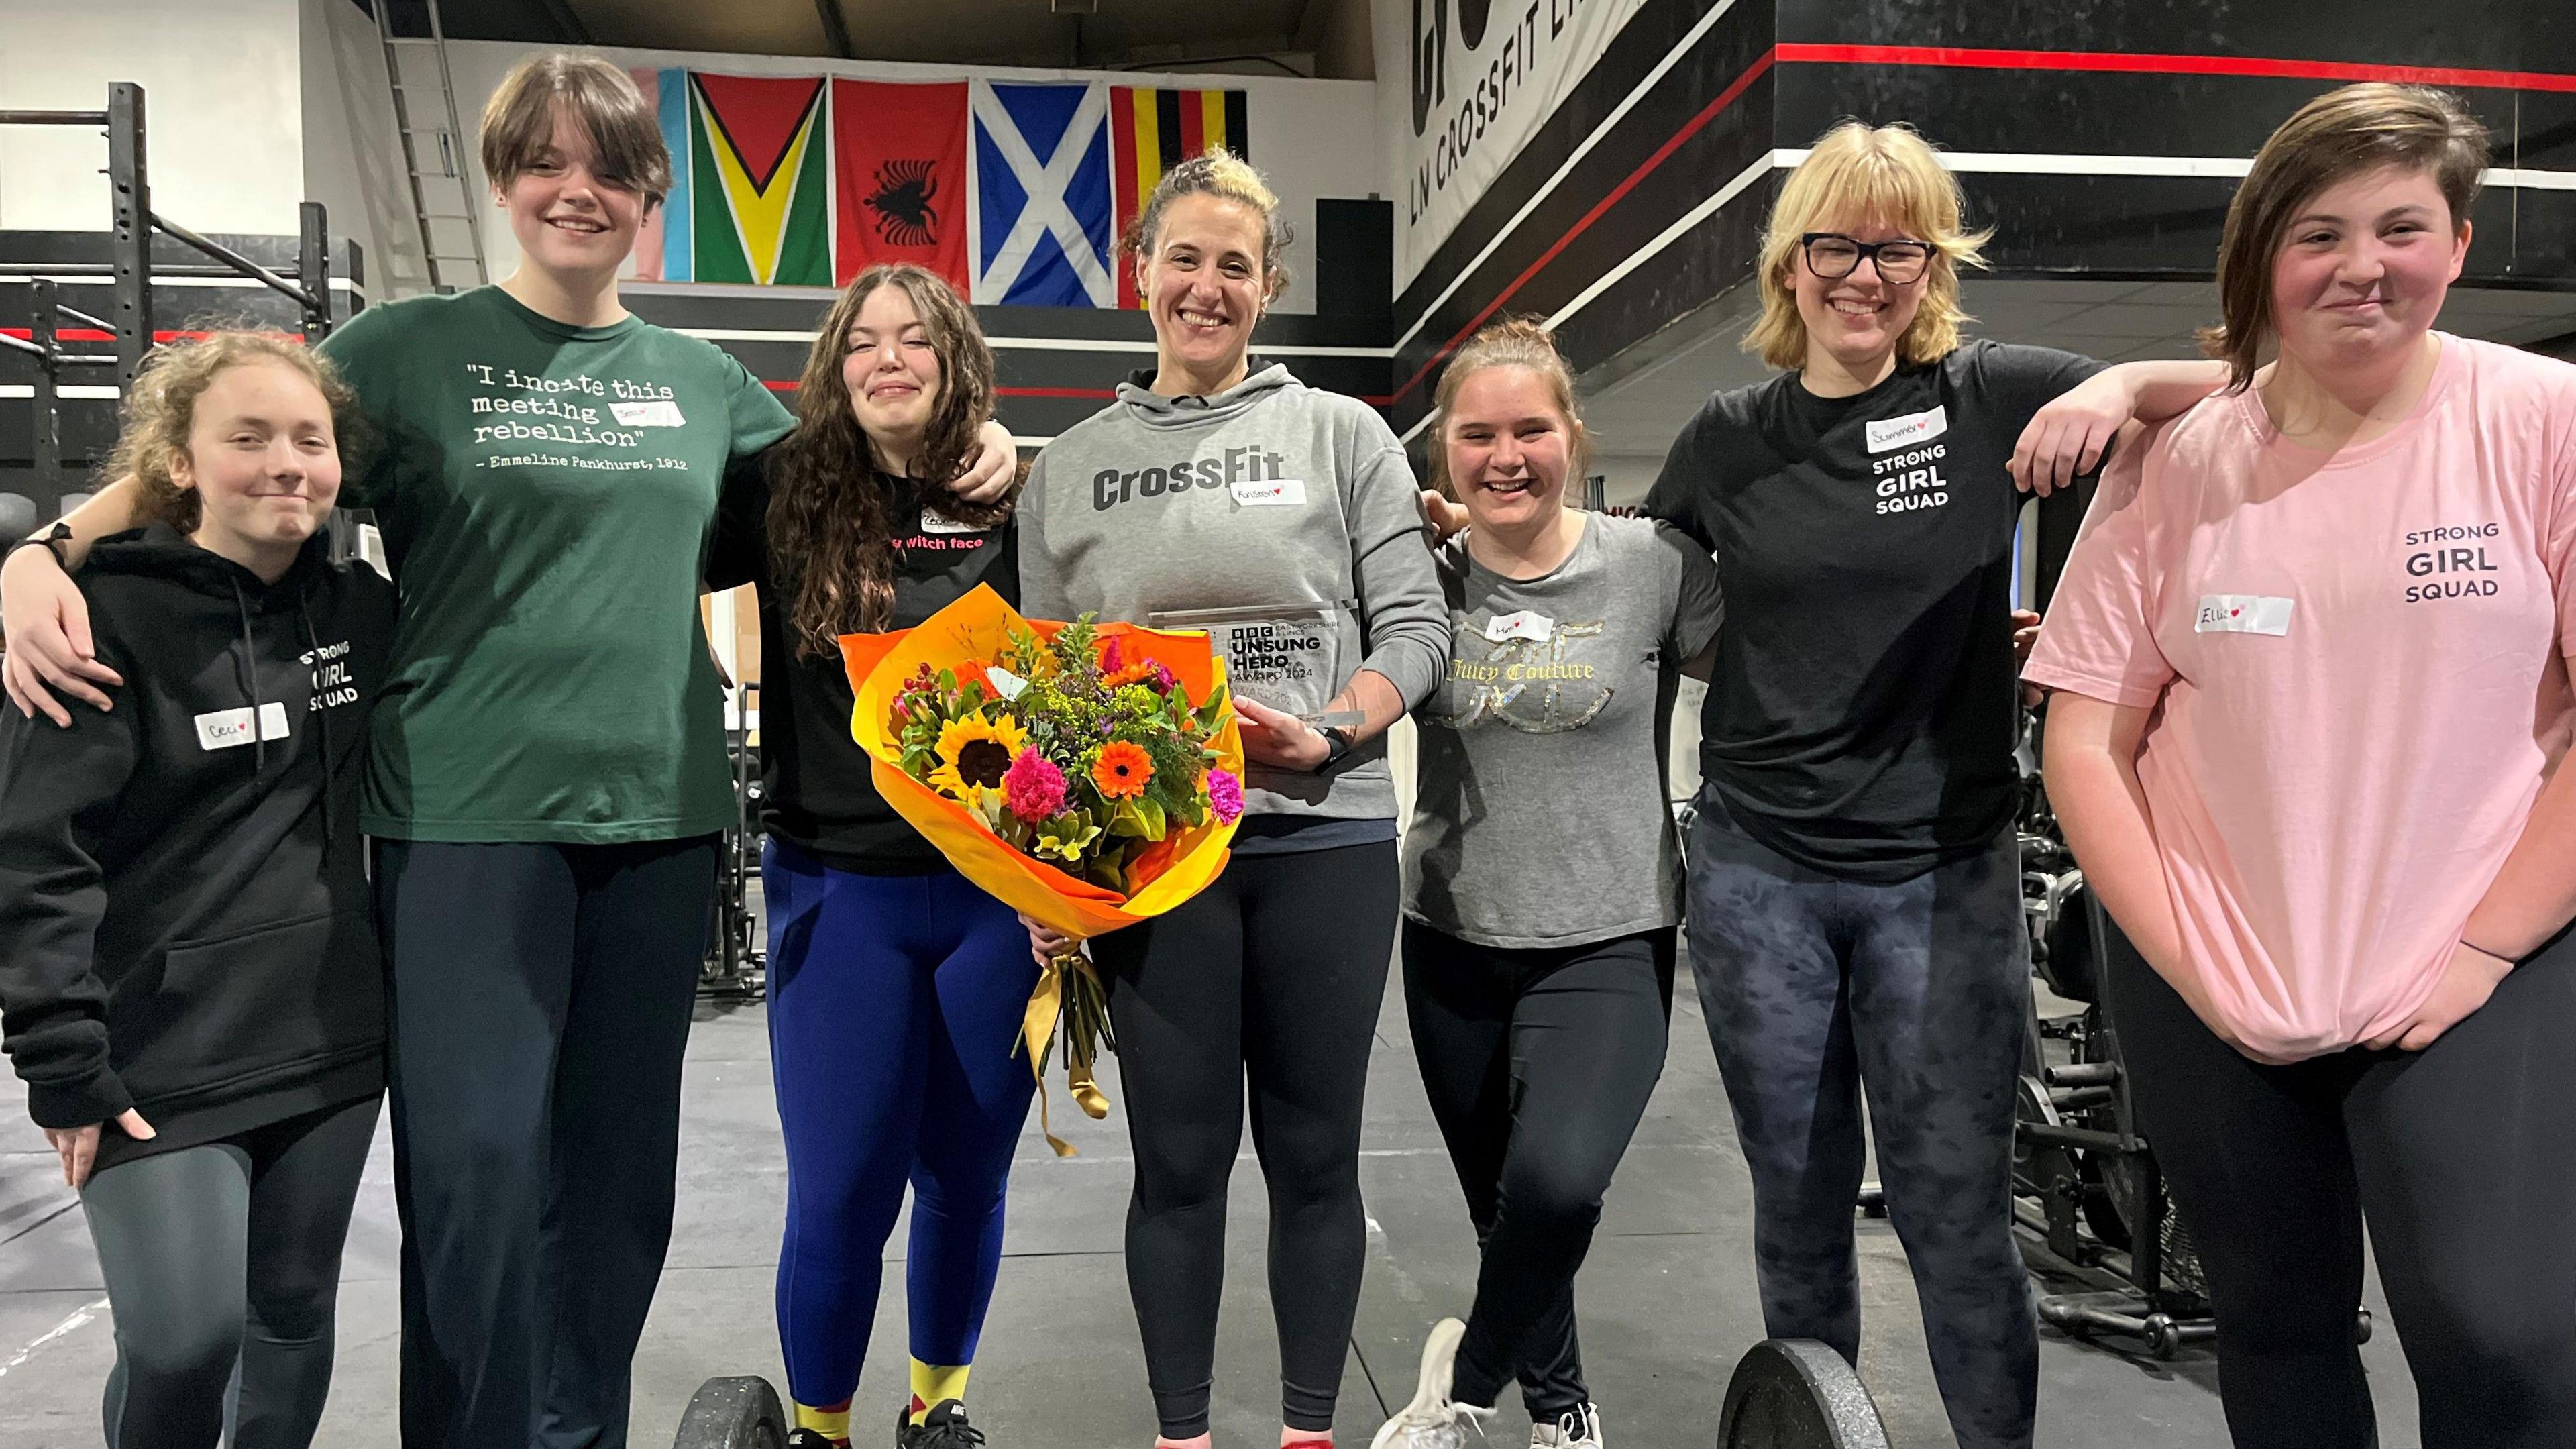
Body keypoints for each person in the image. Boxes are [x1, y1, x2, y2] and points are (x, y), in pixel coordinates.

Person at [0, 54, 1016, 1448]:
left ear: (649, 196)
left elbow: (863, 468)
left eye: (608, 168)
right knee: (475, 1187)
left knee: (614, 1199)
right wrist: (49, 548)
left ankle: (577, 1433)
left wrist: (993, 439)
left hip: (658, 828)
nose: (576, 190)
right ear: (502, 183)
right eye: (545, 163)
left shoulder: (702, 382)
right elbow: (229, 441)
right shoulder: (404, 353)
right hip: (465, 829)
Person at [1640, 121, 2234, 1449]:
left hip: (1939, 878)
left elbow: (2250, 394)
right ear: (1791, 264)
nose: (1868, 271)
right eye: (1840, 242)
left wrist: (2119, 382)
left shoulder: (1986, 394)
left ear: (1931, 265)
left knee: (1955, 1212)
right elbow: (1637, 595)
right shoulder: (1727, 437)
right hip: (1757, 880)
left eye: (1898, 245)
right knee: (1795, 1206)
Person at [2031, 83, 2576, 1449]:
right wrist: (2192, 960)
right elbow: (2086, 737)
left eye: (2402, 226)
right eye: (2319, 232)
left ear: (2457, 243)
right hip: (2210, 966)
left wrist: (2488, 950)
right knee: (2273, 1330)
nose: (2361, 265)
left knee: (2505, 1344)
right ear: (2266, 255)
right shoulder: (2181, 460)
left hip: (2471, 964)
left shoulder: (2543, 422)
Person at [1015, 151, 1449, 1449]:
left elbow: (1415, 627)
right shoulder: (1069, 469)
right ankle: (1185, 1436)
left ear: (1270, 288)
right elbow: (1045, 696)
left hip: (1322, 843)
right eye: (1184, 259)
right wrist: (1050, 880)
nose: (1207, 288)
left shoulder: (1342, 432)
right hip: (1156, 862)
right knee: (1180, 1166)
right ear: (1138, 272)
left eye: (1235, 267)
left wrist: (1329, 731)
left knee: (1317, 1163)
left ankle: (1310, 1432)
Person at [0, 332, 394, 1448]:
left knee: (291, 1320)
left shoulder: (360, 613)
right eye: (247, 438)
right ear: (178, 464)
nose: (286, 465)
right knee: (180, 1341)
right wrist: (62, 1061)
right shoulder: (94, 621)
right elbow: (35, 852)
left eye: (309, 441)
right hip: (154, 1054)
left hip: (327, 1040)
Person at [1366, 319, 1721, 1449]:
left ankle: (1460, 1392)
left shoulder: (1654, 564)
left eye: (1531, 428)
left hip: (1610, 933)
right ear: (1443, 457)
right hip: (1453, 931)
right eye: (1477, 435)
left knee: (1560, 1186)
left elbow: (1792, 667)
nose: (1505, 455)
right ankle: (1566, 1412)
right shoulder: (1416, 576)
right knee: (1503, 1209)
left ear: (1574, 434)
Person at [706, 263, 1028, 1449]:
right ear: (834, 367)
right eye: (863, 342)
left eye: (915, 340)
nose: (888, 357)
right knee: (842, 1192)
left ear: (955, 362)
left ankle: (938, 1411)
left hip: (996, 899)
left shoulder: (1006, 497)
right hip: (838, 894)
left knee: (965, 1178)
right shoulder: (780, 493)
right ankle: (822, 1430)